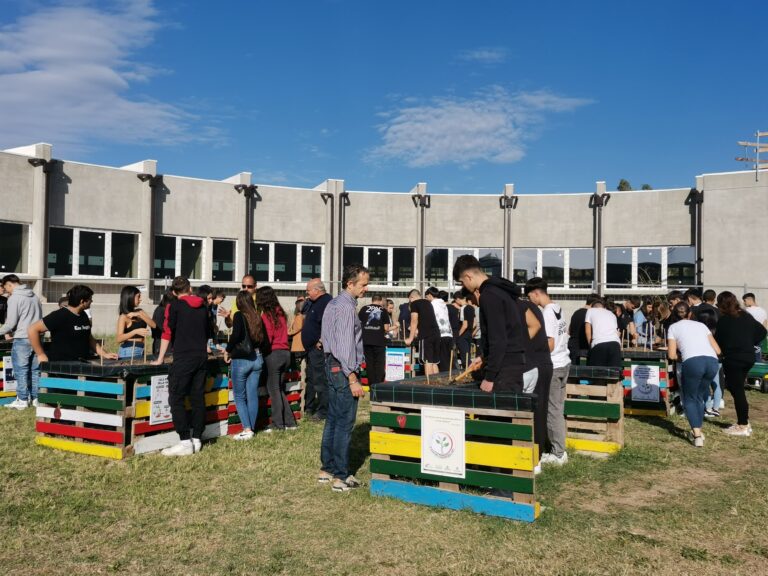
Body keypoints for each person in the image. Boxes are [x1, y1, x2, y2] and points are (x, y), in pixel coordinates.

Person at [318, 264, 369, 492]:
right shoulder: (346, 307)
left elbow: (326, 339)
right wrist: (352, 377)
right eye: (363, 284)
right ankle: (340, 475)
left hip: (331, 364)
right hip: (343, 368)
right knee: (344, 423)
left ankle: (327, 469)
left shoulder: (332, 303)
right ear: (350, 283)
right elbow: (345, 345)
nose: (366, 288)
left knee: (333, 419)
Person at [153, 276, 211, 456]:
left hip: (183, 358)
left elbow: (167, 333)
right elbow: (208, 330)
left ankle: (185, 441)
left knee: (176, 397)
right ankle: (197, 438)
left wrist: (160, 358)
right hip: (201, 357)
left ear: (173, 292)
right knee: (197, 397)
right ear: (190, 289)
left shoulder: (174, 306)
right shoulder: (203, 306)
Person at [453, 255, 526, 392]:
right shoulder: (500, 291)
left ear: (468, 276)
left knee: (501, 411)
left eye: (462, 282)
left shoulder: (489, 295)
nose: (464, 287)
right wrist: (484, 357)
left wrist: (490, 377)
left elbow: (498, 339)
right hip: (512, 362)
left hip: (504, 370)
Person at [525, 277, 570, 467]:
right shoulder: (558, 308)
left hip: (554, 363)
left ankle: (558, 452)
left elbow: (549, 343)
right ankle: (559, 448)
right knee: (558, 408)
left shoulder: (547, 313)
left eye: (530, 297)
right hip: (564, 362)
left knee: (552, 410)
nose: (530, 301)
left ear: (536, 293)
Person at [667, 302, 721, 447]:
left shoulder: (673, 327)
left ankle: (696, 435)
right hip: (712, 362)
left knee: (689, 398)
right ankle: (699, 428)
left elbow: (672, 355)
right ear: (690, 313)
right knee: (699, 396)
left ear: (674, 314)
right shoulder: (702, 326)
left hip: (692, 362)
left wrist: (683, 355)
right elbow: (717, 350)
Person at [715, 291, 767, 437]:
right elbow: (762, 332)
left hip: (733, 358)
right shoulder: (745, 316)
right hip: (748, 356)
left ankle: (743, 425)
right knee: (736, 388)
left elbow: (719, 341)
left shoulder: (724, 320)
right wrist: (751, 341)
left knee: (737, 390)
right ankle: (744, 422)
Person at [29, 285, 117, 364]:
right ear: (82, 301)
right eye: (90, 299)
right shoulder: (59, 315)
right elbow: (32, 329)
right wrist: (40, 354)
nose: (92, 301)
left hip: (82, 364)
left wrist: (105, 354)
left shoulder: (84, 315)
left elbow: (89, 338)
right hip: (62, 367)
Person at [224, 291, 266, 441]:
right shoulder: (257, 316)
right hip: (257, 358)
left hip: (242, 360)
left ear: (239, 303)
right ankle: (252, 428)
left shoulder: (239, 315)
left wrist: (227, 350)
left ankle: (247, 429)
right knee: (252, 394)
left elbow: (236, 335)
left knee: (240, 396)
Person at [256, 286, 297, 431]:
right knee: (278, 389)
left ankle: (278, 424)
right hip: (286, 353)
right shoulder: (281, 313)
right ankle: (290, 423)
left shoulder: (266, 316)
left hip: (274, 354)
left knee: (273, 390)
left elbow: (268, 337)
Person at [0, 275, 43, 409]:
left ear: (9, 284)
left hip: (22, 338)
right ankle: (36, 399)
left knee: (21, 370)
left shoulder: (14, 298)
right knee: (35, 370)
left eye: (5, 287)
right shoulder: (35, 296)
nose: (6, 290)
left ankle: (22, 400)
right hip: (37, 337)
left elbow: (10, 323)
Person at [302, 278, 332, 419]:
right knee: (312, 379)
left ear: (317, 290)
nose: (307, 293)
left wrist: (321, 340)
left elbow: (329, 323)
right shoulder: (314, 303)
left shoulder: (325, 302)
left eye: (308, 290)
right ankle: (310, 407)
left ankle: (323, 411)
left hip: (318, 349)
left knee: (320, 380)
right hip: (311, 349)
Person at [404, 289, 441, 376]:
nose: (409, 302)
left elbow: (414, 320)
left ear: (412, 297)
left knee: (427, 361)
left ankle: (429, 386)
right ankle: (437, 385)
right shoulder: (428, 303)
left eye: (409, 299)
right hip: (436, 333)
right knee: (434, 362)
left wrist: (410, 338)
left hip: (426, 335)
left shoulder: (414, 304)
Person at [115, 286, 155, 360]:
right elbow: (119, 339)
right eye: (138, 296)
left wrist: (140, 315)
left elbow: (153, 325)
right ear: (130, 297)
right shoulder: (123, 317)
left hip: (141, 348)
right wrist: (135, 332)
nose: (140, 299)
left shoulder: (140, 311)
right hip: (129, 350)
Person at [358, 295, 390, 385]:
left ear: (372, 300)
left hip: (366, 340)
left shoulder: (364, 309)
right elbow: (386, 328)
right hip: (379, 341)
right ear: (380, 301)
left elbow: (358, 324)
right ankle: (378, 385)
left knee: (369, 363)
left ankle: (371, 385)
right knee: (379, 363)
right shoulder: (383, 310)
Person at [585, 299, 622, 369]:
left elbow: (587, 331)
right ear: (604, 307)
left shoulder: (590, 311)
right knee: (615, 374)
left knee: (597, 374)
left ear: (592, 307)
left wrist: (590, 346)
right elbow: (616, 332)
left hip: (599, 344)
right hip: (615, 344)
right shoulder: (612, 314)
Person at [426, 286, 454, 371]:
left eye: (426, 296)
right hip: (449, 334)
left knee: (441, 361)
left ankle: (444, 381)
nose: (427, 299)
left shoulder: (432, 304)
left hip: (440, 334)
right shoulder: (443, 304)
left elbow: (430, 319)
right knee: (448, 360)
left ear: (430, 295)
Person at [568, 294, 600, 364]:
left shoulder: (576, 312)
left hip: (572, 346)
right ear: (593, 304)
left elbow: (569, 331)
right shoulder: (590, 314)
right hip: (582, 349)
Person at [452, 291, 474, 369]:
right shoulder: (471, 307)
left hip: (463, 335)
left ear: (457, 299)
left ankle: (469, 372)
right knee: (468, 355)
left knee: (464, 357)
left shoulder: (463, 309)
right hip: (469, 334)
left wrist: (458, 335)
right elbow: (474, 323)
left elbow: (464, 325)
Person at [151, 289, 175, 356]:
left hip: (168, 343)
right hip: (162, 344)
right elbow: (160, 329)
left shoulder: (164, 309)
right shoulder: (160, 310)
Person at [288, 296, 306, 366]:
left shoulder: (299, 315)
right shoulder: (298, 314)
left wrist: (289, 332)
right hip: (300, 343)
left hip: (298, 343)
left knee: (298, 364)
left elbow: (298, 327)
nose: (300, 304)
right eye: (298, 302)